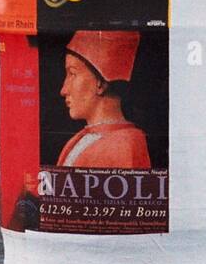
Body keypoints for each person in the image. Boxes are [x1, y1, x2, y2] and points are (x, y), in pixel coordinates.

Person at [57, 30, 150, 168]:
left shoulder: (126, 144)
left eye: (72, 74)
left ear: (100, 84)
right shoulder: (79, 139)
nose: (63, 90)